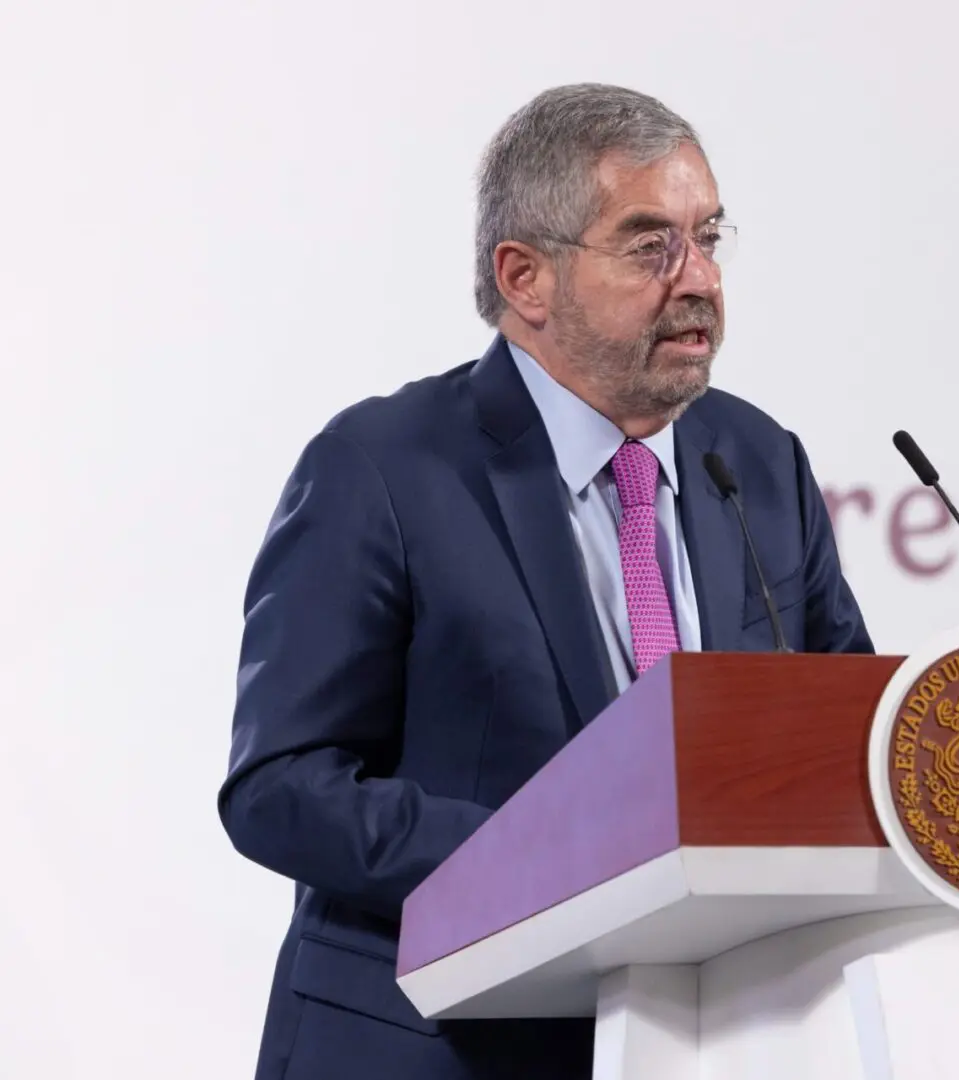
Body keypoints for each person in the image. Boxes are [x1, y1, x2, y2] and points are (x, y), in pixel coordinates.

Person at [218, 83, 874, 1080]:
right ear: (526, 276)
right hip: (442, 1050)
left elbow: (852, 733)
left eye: (708, 237)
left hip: (712, 1042)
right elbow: (281, 786)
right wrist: (554, 861)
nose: (696, 278)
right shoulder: (386, 467)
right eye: (650, 244)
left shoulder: (758, 459)